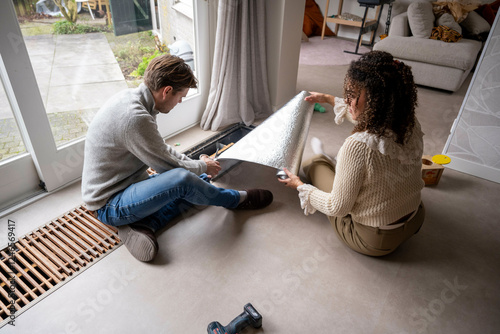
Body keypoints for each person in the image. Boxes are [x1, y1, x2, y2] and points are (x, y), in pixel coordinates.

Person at [82, 55, 273, 262]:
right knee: (185, 181)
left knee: (198, 183)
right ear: (167, 91)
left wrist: (198, 168)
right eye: (180, 97)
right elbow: (166, 166)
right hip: (109, 204)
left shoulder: (137, 100)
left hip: (129, 184)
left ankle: (147, 225)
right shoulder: (134, 118)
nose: (179, 102)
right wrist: (201, 166)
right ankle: (235, 200)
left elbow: (161, 150)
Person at [278, 51, 425, 256]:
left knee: (315, 162)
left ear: (376, 102)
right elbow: (370, 119)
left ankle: (331, 165)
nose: (347, 100)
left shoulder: (357, 146)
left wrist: (300, 186)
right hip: (416, 218)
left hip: (375, 240)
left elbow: (337, 207)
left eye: (353, 95)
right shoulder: (409, 123)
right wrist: (329, 99)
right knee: (360, 174)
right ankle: (341, 169)